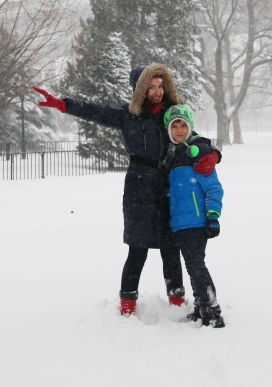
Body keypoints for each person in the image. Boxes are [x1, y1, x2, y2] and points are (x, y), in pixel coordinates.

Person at [33, 63, 220, 316]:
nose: (157, 91)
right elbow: (95, 111)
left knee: (171, 248)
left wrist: (214, 154)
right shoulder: (128, 115)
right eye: (151, 87)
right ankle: (127, 305)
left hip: (169, 188)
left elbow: (193, 137)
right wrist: (63, 104)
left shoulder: (170, 114)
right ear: (140, 89)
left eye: (160, 86)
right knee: (137, 248)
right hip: (138, 188)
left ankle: (177, 300)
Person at [161, 104, 225, 328]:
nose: (179, 130)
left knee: (196, 265)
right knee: (192, 265)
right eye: (175, 126)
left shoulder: (197, 154)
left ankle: (213, 309)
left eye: (183, 125)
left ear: (190, 127)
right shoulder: (172, 156)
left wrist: (213, 215)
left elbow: (213, 189)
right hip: (180, 223)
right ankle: (201, 306)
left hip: (197, 222)